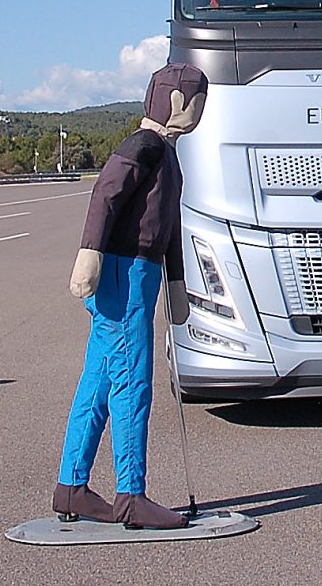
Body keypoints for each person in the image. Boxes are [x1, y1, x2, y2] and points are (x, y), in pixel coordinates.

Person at [53, 63, 209, 530]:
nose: (201, 112)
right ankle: (130, 495)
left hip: (142, 273)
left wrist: (177, 285)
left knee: (99, 381)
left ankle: (71, 487)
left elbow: (169, 227)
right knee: (132, 383)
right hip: (124, 275)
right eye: (197, 102)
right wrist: (89, 253)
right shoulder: (143, 146)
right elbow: (105, 194)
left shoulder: (167, 155)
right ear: (177, 102)